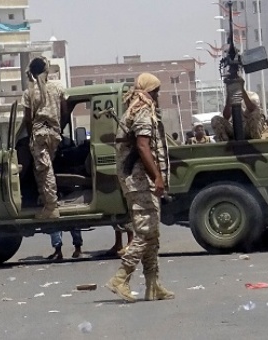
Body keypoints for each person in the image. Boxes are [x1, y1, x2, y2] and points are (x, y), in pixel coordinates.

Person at [106, 73, 174, 302]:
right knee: (145, 232)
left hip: (139, 181)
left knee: (152, 233)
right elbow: (143, 147)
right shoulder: (142, 110)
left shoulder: (137, 108)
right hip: (140, 180)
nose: (157, 96)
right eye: (156, 91)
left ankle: (153, 284)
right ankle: (120, 278)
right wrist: (157, 177)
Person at [22, 56, 67, 219]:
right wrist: (59, 129)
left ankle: (51, 207)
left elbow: (28, 119)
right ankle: (46, 200)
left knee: (44, 169)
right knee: (43, 168)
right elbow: (65, 112)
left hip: (39, 134)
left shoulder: (29, 93)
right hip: (54, 133)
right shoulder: (58, 88)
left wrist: (30, 136)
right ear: (46, 70)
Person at [211, 77, 263, 142]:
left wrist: (242, 89)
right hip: (234, 128)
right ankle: (225, 144)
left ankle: (256, 141)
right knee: (215, 119)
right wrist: (229, 93)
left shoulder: (252, 95)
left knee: (256, 112)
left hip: (249, 127)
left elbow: (252, 109)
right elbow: (226, 116)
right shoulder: (230, 97)